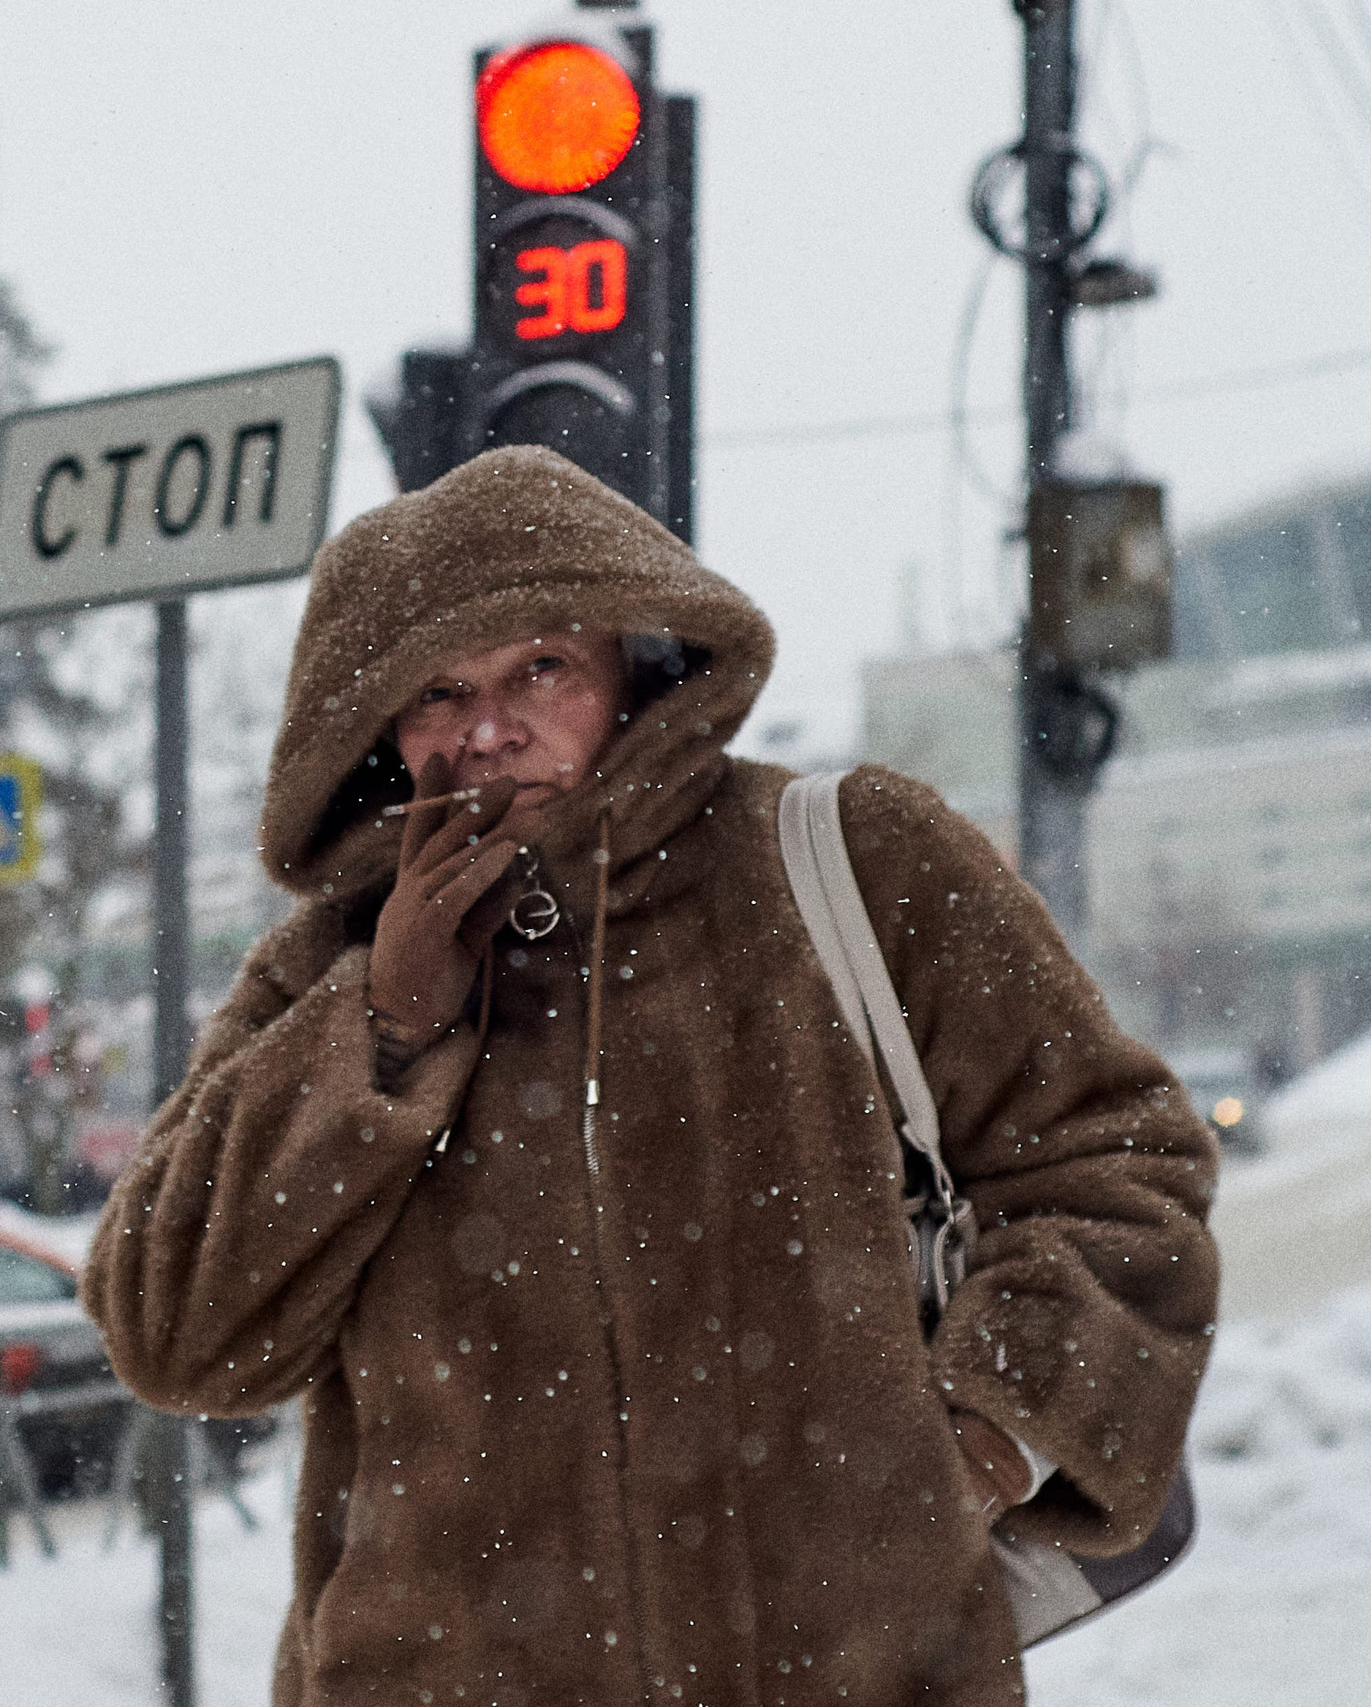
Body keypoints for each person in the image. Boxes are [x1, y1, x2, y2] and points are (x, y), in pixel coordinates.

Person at [82, 446, 1218, 1706]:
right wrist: (383, 1029)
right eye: (437, 694)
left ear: (635, 666)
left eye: (541, 668)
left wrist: (978, 1447)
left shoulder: (850, 862)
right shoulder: (324, 973)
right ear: (377, 729)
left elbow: (1112, 1165)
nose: (490, 729)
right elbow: (173, 1335)